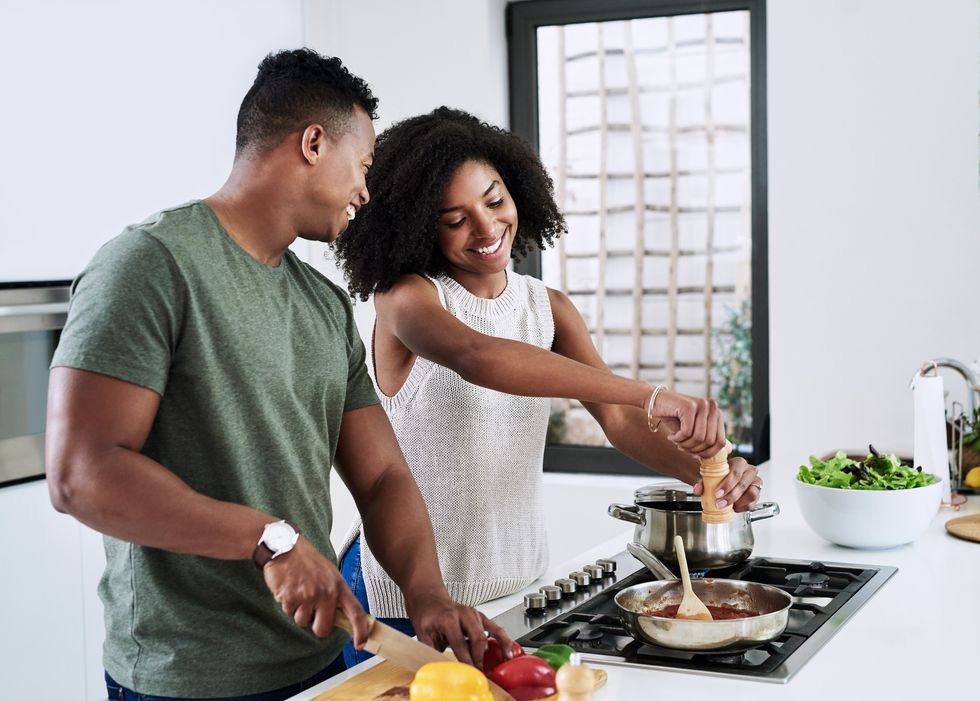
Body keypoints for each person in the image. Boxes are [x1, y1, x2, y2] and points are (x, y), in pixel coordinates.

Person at [45, 53, 510, 701]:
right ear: (314, 143)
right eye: (365, 165)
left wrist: (426, 593)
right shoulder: (149, 264)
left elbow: (382, 476)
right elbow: (81, 474)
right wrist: (269, 539)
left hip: (318, 662)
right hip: (188, 679)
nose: (365, 191)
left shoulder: (322, 305)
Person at [332, 107, 763, 663]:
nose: (486, 228)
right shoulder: (406, 299)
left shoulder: (548, 308)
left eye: (494, 201)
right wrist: (652, 394)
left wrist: (709, 478)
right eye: (454, 218)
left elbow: (620, 423)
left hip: (518, 585)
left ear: (519, 193)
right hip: (403, 596)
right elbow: (478, 354)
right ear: (418, 225)